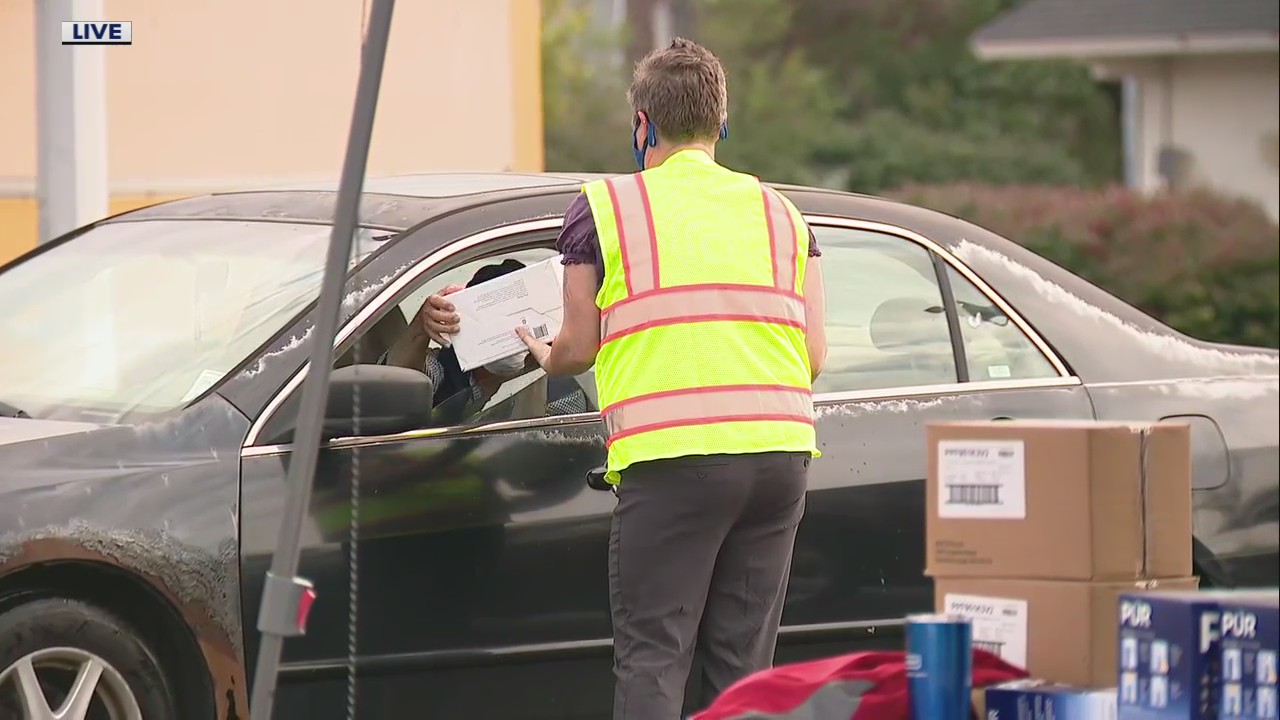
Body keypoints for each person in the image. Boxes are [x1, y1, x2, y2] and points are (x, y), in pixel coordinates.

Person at [424, 38, 828, 719]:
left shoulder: (606, 208)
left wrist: (543, 354)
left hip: (675, 463)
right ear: (720, 124)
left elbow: (578, 347)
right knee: (743, 671)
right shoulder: (782, 214)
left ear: (643, 123)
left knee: (655, 657)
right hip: (780, 458)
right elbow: (812, 354)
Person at [383, 259, 590, 420]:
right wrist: (422, 325)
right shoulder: (446, 369)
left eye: (520, 320)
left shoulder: (560, 386)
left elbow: (544, 451)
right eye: (495, 322)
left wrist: (541, 371)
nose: (513, 333)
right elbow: (395, 384)